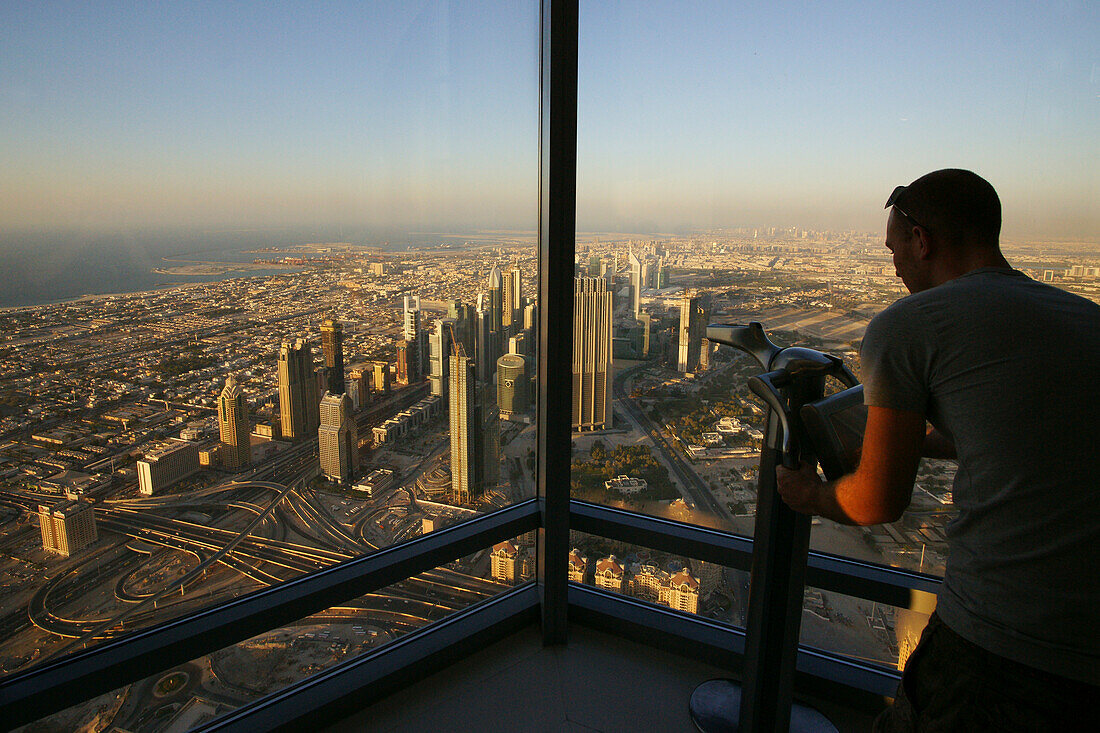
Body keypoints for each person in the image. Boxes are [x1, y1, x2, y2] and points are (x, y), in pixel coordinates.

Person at [775, 169, 1100, 731]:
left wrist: (810, 494)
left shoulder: (909, 326)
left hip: (1003, 643)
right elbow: (1025, 429)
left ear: (922, 240)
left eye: (895, 249)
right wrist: (916, 444)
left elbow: (877, 503)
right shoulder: (1080, 316)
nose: (894, 265)